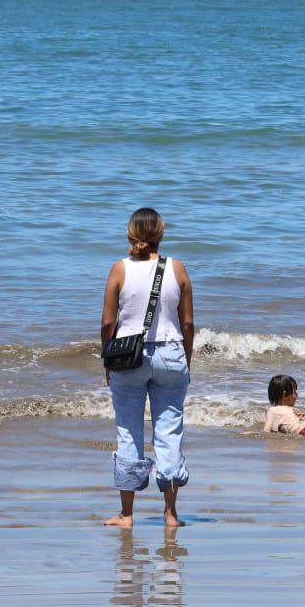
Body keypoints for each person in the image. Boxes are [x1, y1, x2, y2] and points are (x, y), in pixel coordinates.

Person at [101, 208, 194, 530]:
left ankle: (126, 515)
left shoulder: (119, 269)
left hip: (128, 357)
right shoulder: (177, 268)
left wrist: (106, 359)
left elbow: (108, 322)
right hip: (171, 354)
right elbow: (188, 323)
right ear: (161, 233)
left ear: (130, 233)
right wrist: (187, 358)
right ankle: (170, 514)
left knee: (128, 430)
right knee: (169, 432)